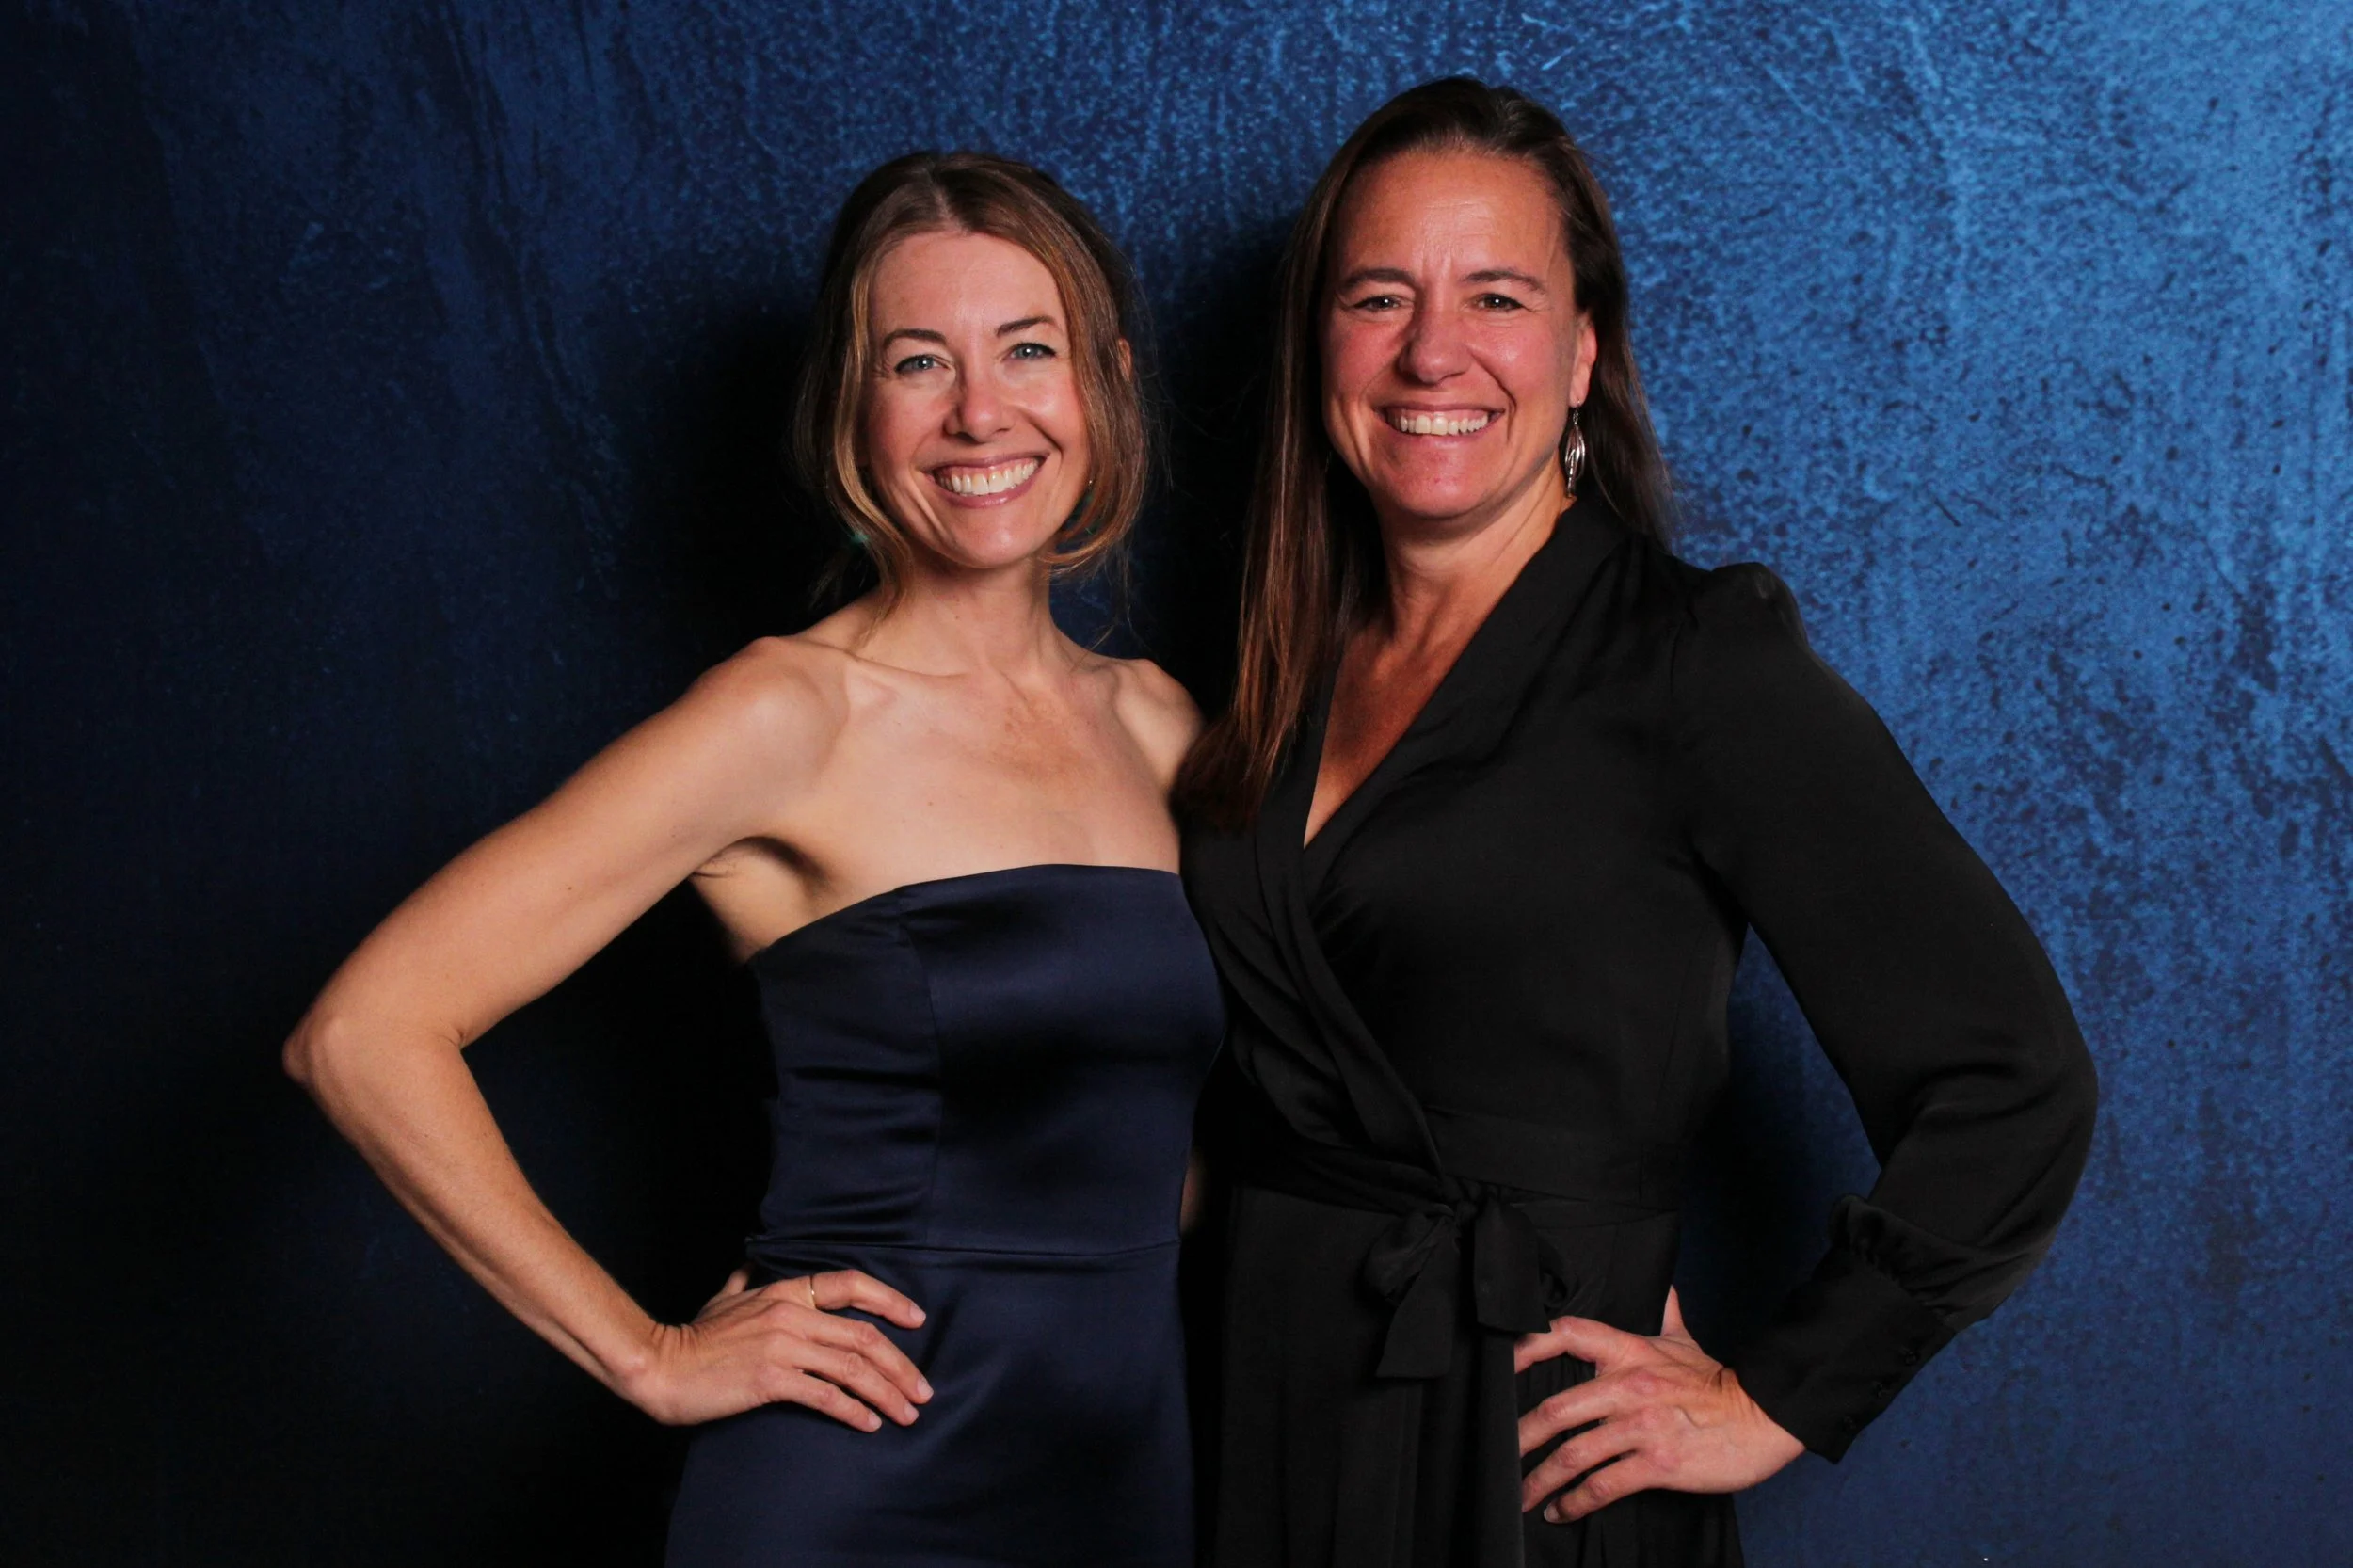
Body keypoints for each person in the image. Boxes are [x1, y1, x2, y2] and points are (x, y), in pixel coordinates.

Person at [1177, 78, 2098, 1567]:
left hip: (1532, 1463)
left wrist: (1773, 1395)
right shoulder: (1279, 671)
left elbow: (2017, 1082)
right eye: (1378, 296)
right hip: (1262, 1410)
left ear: (1584, 348)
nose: (1432, 351)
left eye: (1497, 295)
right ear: (1318, 343)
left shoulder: (1696, 660)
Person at [284, 152, 1220, 1567]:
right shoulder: (787, 716)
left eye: (1029, 349)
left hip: (1127, 1477)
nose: (980, 410)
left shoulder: (1162, 726)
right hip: (860, 1493)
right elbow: (364, 1033)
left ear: (1106, 382)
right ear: (854, 406)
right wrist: (650, 1354)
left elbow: (1182, 1134)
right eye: (919, 361)